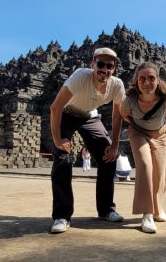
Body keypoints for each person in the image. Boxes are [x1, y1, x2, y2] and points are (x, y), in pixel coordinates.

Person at [50, 47, 125, 233]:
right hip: (67, 113)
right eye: (100, 64)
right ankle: (62, 215)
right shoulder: (80, 76)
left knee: (109, 157)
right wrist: (58, 140)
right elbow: (55, 107)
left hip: (90, 116)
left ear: (114, 68)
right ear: (93, 64)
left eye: (109, 65)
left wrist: (114, 145)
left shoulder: (116, 85)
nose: (104, 69)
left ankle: (106, 209)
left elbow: (117, 116)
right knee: (62, 158)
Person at [120, 62, 166, 234]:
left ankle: (158, 207)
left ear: (158, 80)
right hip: (138, 132)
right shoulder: (129, 100)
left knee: (160, 173)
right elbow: (124, 114)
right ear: (136, 81)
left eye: (151, 78)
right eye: (142, 79)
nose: (147, 83)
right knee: (145, 165)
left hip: (160, 134)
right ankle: (147, 214)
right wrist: (137, 125)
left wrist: (158, 124)